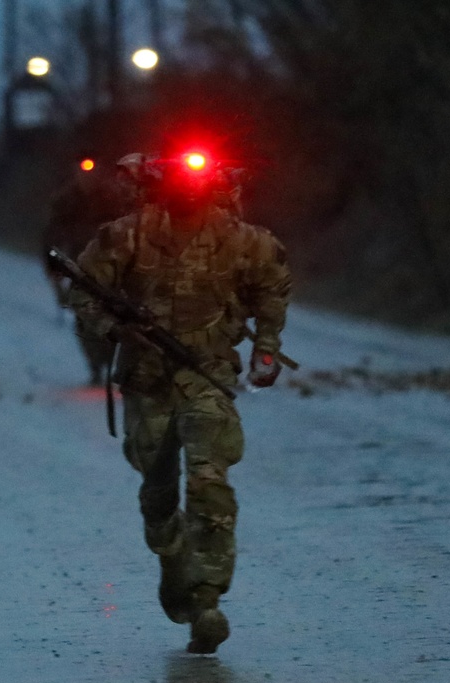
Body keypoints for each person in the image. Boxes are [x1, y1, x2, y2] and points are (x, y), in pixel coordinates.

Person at [67, 150, 291, 654]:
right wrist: (113, 326)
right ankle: (173, 561)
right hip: (147, 381)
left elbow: (272, 285)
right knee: (158, 490)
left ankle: (207, 598)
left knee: (210, 478)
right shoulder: (127, 234)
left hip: (206, 374)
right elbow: (82, 292)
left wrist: (266, 349)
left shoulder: (241, 239)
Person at [42, 157, 125, 385]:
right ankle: (95, 365)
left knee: (114, 316)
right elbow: (52, 233)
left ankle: (109, 363)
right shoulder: (65, 200)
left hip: (112, 265)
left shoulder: (113, 198)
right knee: (85, 317)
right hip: (79, 267)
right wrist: (52, 266)